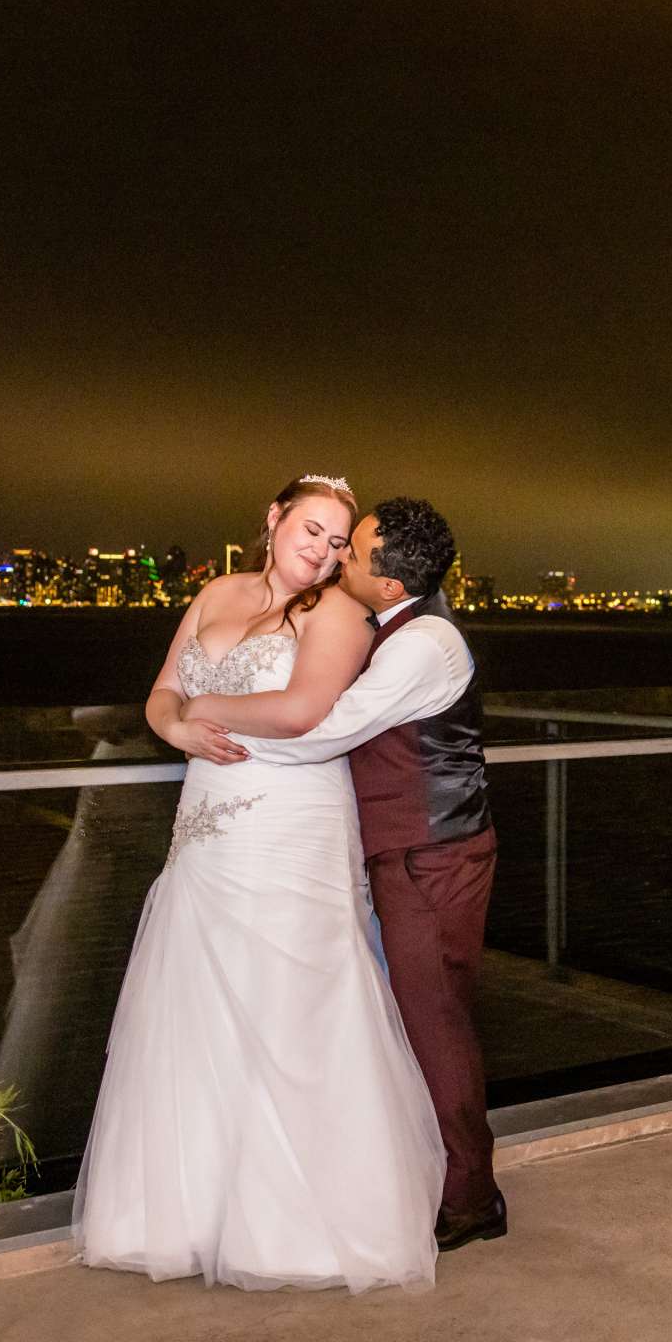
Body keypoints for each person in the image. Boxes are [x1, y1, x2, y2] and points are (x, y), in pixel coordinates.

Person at [71, 476, 443, 1293]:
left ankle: (293, 1230)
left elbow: (307, 708)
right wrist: (174, 724)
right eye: (311, 529)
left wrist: (206, 705)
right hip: (205, 818)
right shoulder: (213, 591)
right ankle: (182, 1214)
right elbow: (162, 695)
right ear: (273, 520)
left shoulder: (337, 612)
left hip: (288, 819)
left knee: (288, 1002)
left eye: (339, 541)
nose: (323, 549)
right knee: (196, 1002)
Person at [183, 495, 505, 1252]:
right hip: (417, 851)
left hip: (432, 858)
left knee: (436, 1025)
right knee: (421, 1019)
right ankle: (444, 1175)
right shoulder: (397, 627)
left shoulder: (422, 646)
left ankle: (471, 1199)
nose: (338, 559)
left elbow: (327, 730)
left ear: (391, 585)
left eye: (353, 553)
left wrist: (211, 726)